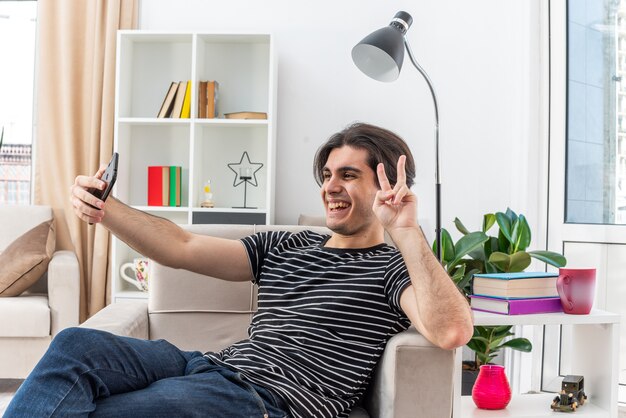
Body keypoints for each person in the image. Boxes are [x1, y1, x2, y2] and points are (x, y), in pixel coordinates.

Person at [5, 122, 473, 418]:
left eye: (348, 176)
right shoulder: (285, 244)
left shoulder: (392, 269)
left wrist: (408, 232)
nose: (330, 186)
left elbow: (452, 330)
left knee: (100, 412)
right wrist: (104, 208)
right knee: (74, 344)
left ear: (386, 184)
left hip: (265, 401)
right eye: (327, 175)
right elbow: (181, 245)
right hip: (206, 365)